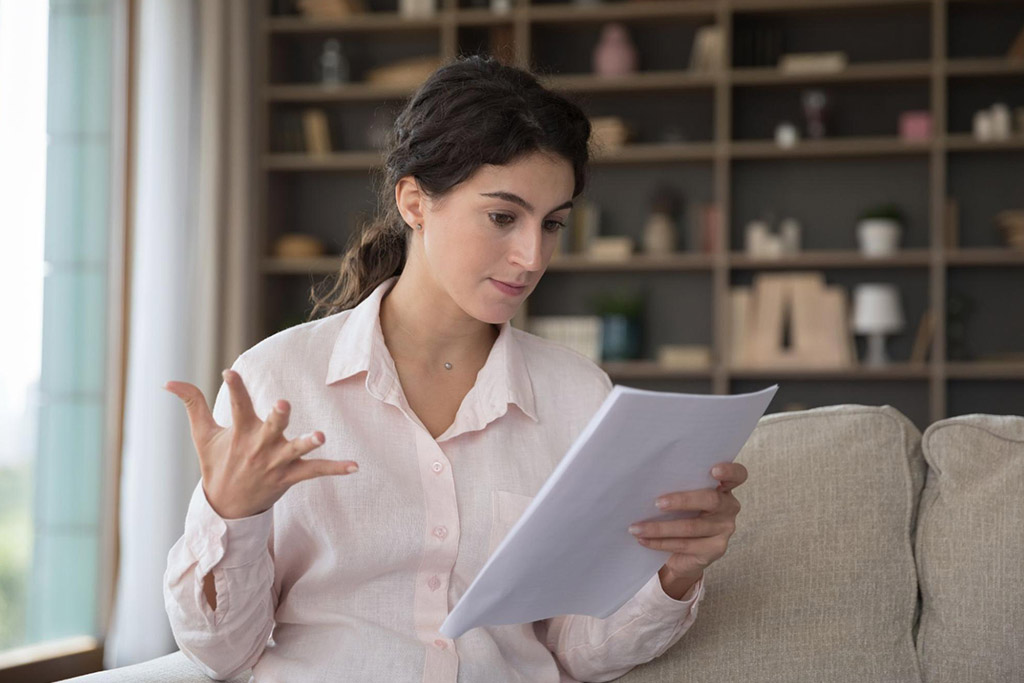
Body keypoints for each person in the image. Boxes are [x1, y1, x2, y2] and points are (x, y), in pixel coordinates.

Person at [162, 54, 747, 683]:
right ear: (415, 201)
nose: (531, 256)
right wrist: (232, 513)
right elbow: (219, 656)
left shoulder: (578, 396)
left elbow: (579, 651)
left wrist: (675, 570)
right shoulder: (279, 381)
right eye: (503, 217)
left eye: (552, 224)